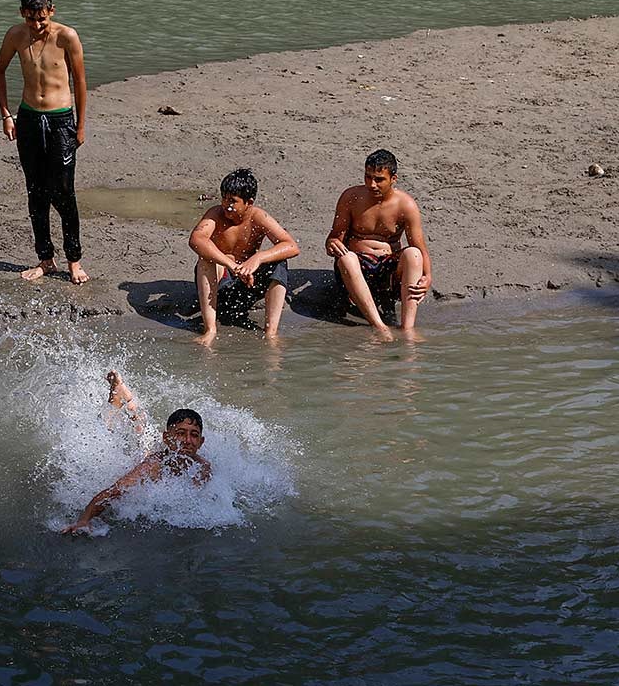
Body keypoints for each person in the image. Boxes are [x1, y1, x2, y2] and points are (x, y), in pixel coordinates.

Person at [0, 0, 89, 284]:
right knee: (35, 190)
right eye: (32, 20)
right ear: (23, 13)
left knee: (63, 191)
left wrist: (80, 126)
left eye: (42, 20)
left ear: (52, 11)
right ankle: (45, 259)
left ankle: (74, 260)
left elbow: (81, 82)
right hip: (30, 118)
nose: (37, 26)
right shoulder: (15, 35)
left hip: (61, 119)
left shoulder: (66, 36)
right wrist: (7, 115)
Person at [61, 371, 212, 535]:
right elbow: (114, 491)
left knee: (141, 430)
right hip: (144, 458)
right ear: (167, 439)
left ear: (201, 442)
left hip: (157, 452)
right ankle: (118, 393)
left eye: (194, 435)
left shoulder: (202, 467)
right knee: (111, 428)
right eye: (181, 433)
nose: (188, 440)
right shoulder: (153, 465)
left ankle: (124, 393)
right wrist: (84, 520)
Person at [188, 169, 300, 346]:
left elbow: (291, 246)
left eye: (232, 201)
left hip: (247, 286)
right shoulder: (215, 214)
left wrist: (259, 258)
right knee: (206, 260)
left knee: (279, 262)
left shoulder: (259, 217)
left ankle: (271, 334)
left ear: (249, 203)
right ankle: (210, 329)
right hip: (220, 286)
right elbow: (196, 239)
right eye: (224, 198)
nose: (226, 205)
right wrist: (231, 265)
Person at [325, 149, 432, 333]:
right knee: (347, 258)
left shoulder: (406, 205)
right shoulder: (351, 197)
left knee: (413, 255)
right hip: (357, 268)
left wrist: (428, 277)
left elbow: (419, 247)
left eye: (379, 179)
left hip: (388, 272)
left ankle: (408, 329)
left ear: (393, 179)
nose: (372, 184)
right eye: (368, 177)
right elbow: (334, 238)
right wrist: (332, 244)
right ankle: (379, 326)